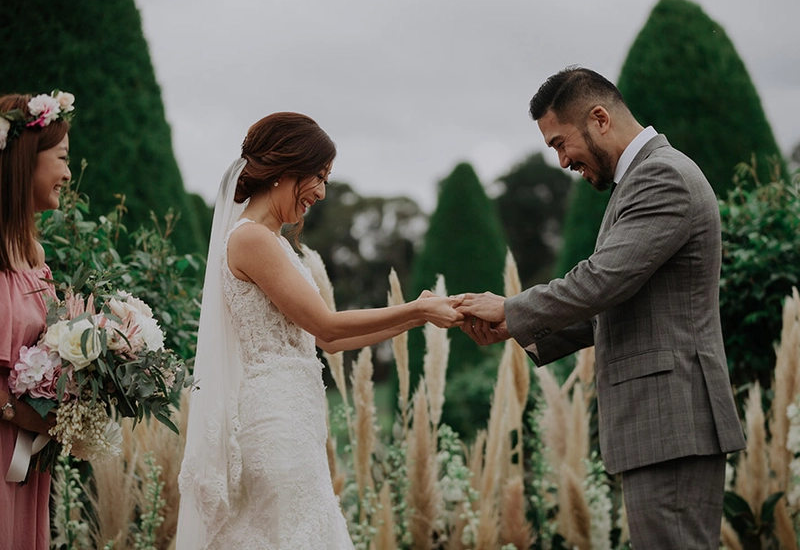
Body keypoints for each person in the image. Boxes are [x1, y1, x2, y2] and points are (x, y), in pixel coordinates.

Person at [459, 67, 746, 548]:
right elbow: (616, 302)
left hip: (672, 421)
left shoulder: (661, 176)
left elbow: (601, 281)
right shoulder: (640, 181)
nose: (561, 161)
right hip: (664, 425)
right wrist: (514, 326)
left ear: (599, 118)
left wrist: (511, 308)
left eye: (560, 143)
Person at [176, 112, 462, 549]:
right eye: (319, 177)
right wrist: (417, 309)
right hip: (275, 421)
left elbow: (328, 340)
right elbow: (326, 323)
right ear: (286, 168)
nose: (322, 192)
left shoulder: (273, 242)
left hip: (297, 418)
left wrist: (415, 316)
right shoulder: (251, 239)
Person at [0, 91, 74, 549]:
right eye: (62, 158)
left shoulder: (36, 258)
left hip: (26, 455)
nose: (68, 174)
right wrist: (16, 412)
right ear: (25, 160)